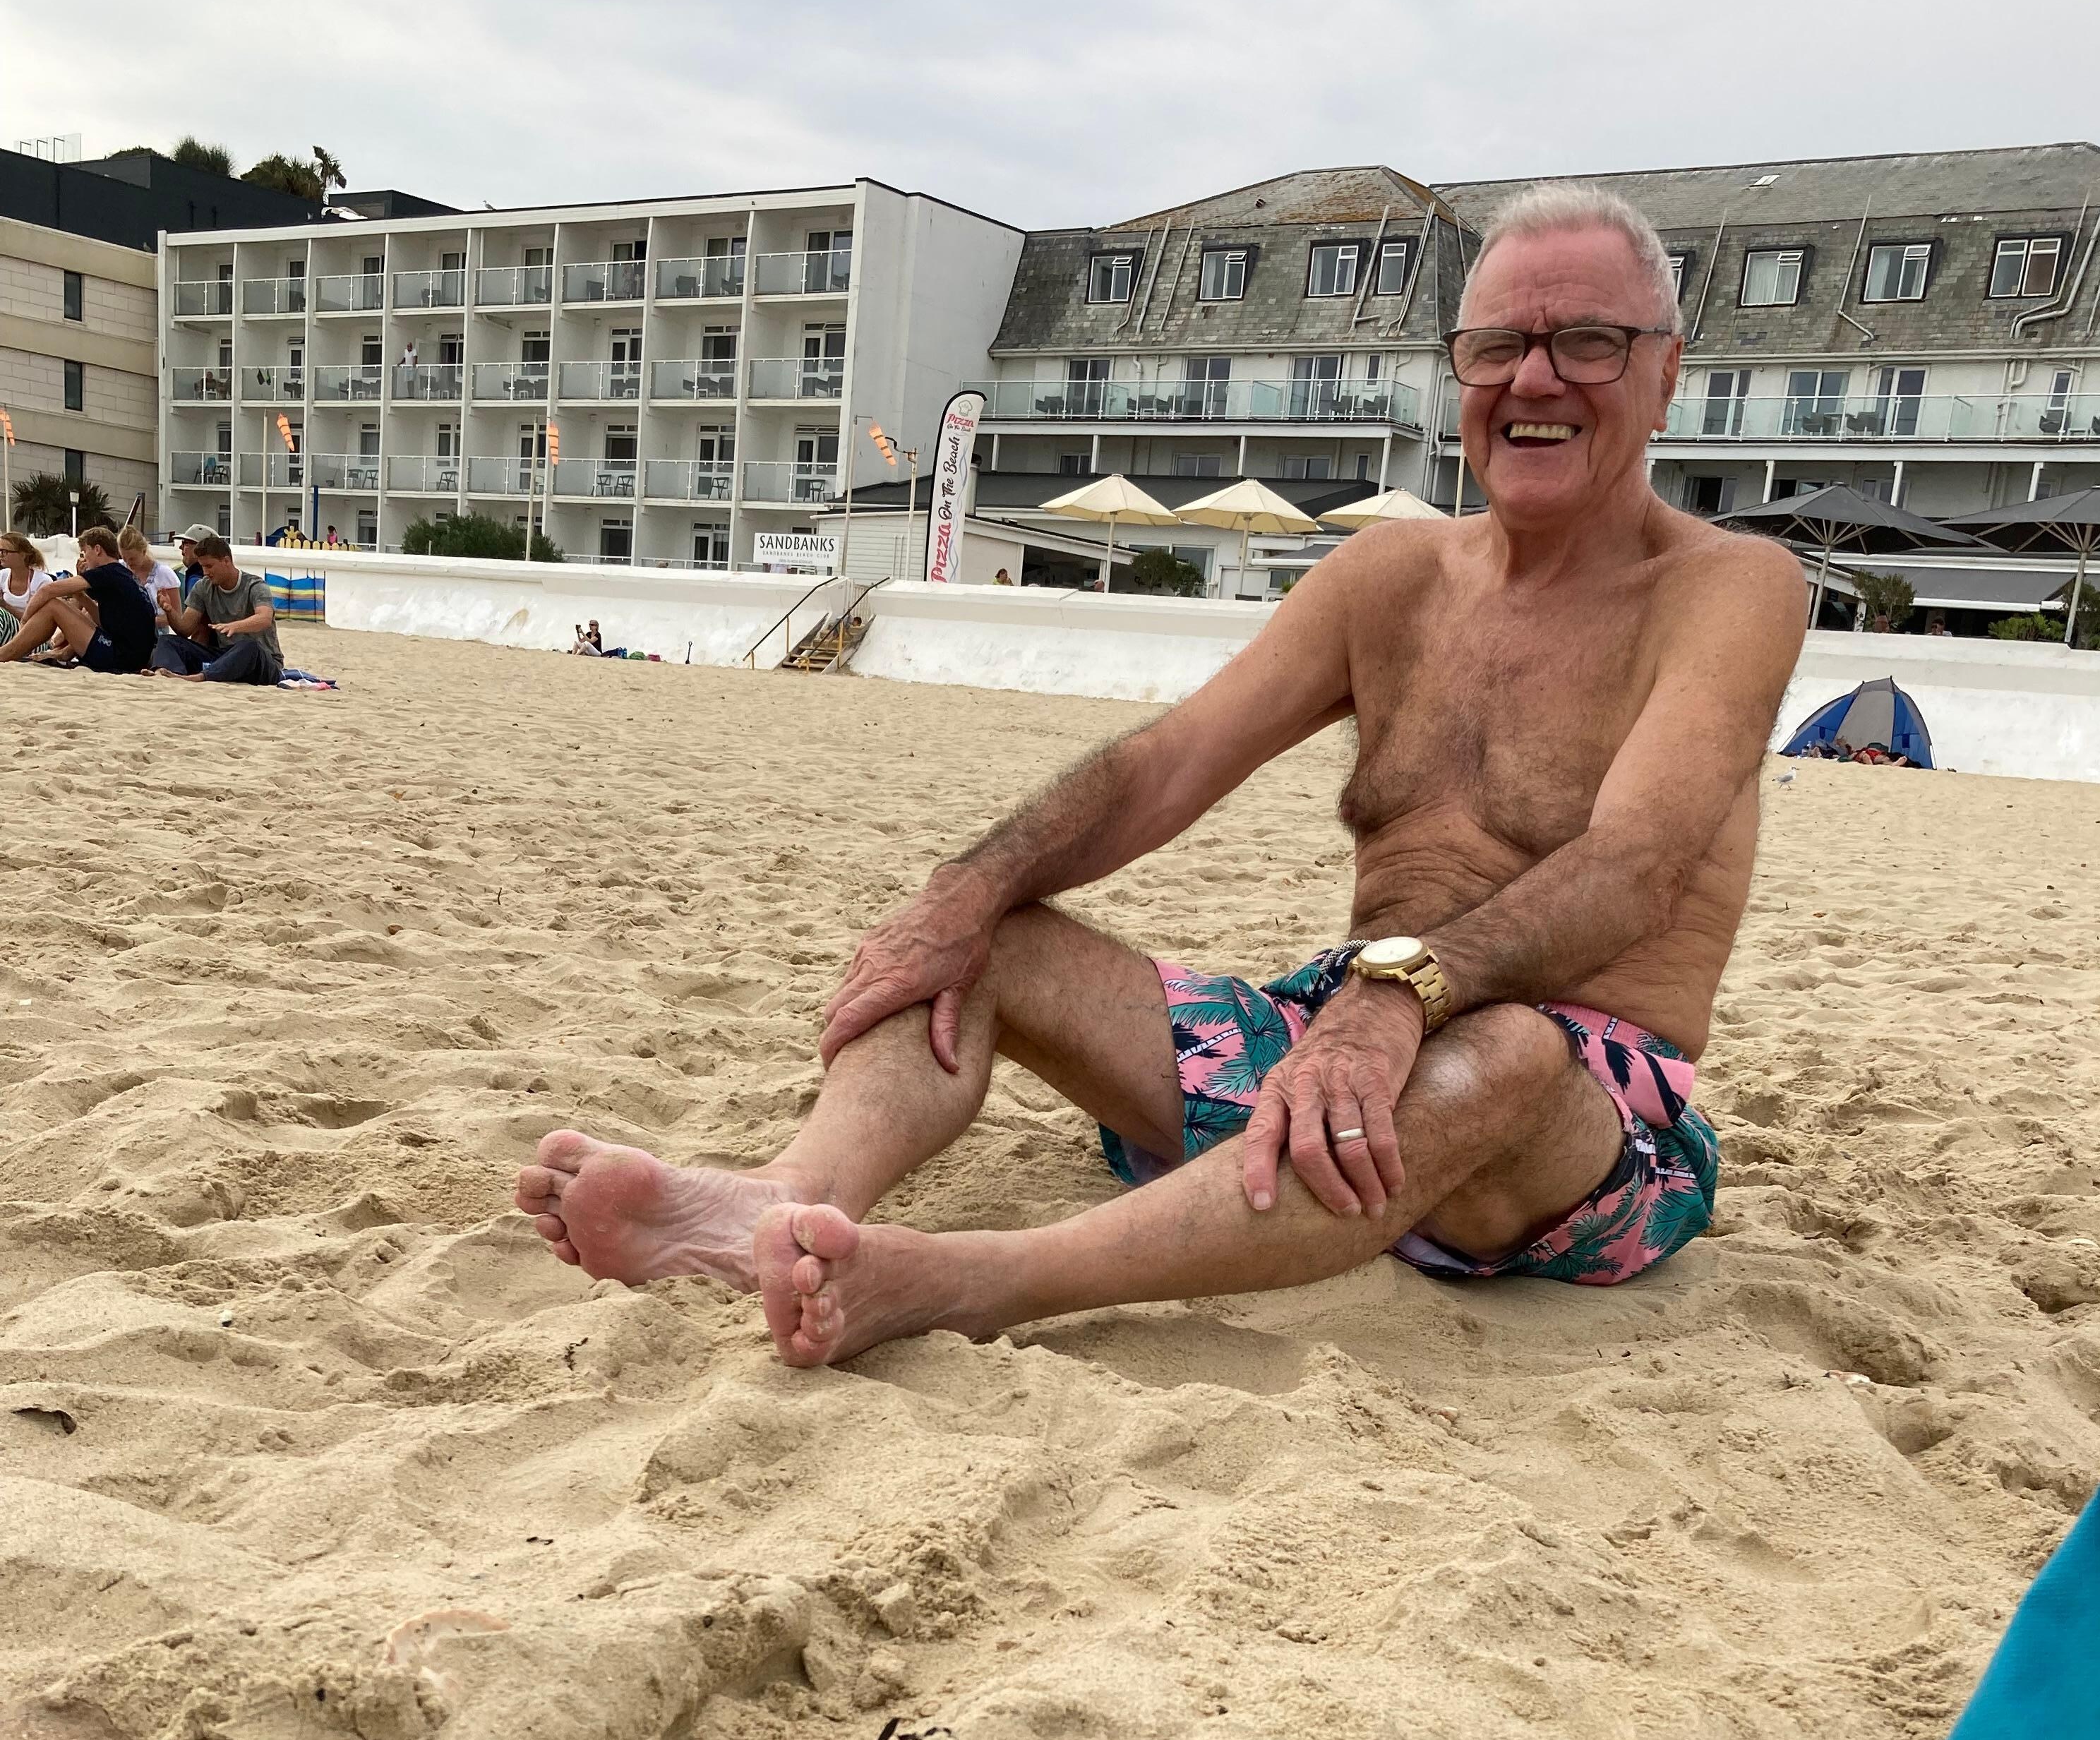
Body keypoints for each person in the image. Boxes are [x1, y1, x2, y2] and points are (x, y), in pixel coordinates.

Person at [515, 181, 1808, 1371]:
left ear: (1664, 373)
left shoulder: (1723, 589)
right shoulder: (1390, 577)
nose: (1534, 378)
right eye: (1494, 348)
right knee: (991, 939)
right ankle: (786, 1194)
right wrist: (961, 890)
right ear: (1456, 375)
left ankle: (977, 1283)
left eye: (1586, 341)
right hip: (1335, 1066)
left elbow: (1634, 864)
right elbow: (1168, 763)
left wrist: (1401, 990)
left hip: (1573, 1118)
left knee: (1508, 1055)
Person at [0, 522, 157, 672]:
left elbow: (47, 591)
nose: (84, 558)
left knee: (53, 605)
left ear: (97, 549)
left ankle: (7, 652)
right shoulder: (123, 575)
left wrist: (25, 620)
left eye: (85, 552)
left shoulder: (107, 572)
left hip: (120, 657)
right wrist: (80, 595)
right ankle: (49, 650)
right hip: (134, 657)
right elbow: (104, 621)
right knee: (63, 607)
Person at [149, 533, 283, 683]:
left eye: (209, 566)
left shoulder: (255, 586)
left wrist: (235, 626)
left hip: (263, 661)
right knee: (167, 641)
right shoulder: (203, 586)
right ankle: (170, 674)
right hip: (224, 657)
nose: (205, 572)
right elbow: (185, 629)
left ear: (226, 561)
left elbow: (264, 618)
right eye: (202, 567)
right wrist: (169, 610)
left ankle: (200, 677)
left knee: (250, 647)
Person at [119, 527, 185, 640]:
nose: (129, 563)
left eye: (133, 559)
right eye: (125, 558)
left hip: (156, 638)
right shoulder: (120, 570)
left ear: (144, 551)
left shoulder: (164, 574)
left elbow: (177, 616)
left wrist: (141, 621)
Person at [0, 532, 52, 646]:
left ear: (22, 555)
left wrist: (5, 606)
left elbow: (40, 623)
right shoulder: (3, 576)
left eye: (5, 552)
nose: (1, 555)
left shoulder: (42, 582)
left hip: (34, 638)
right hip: (8, 633)